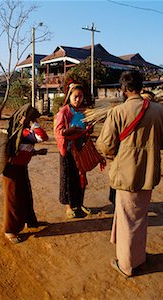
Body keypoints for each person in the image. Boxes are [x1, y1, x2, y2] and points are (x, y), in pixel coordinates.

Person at [96, 71, 163, 278]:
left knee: (128, 219)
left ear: (123, 89)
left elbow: (105, 146)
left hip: (126, 174)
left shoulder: (118, 112)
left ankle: (127, 265)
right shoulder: (159, 111)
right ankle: (137, 257)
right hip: (148, 173)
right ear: (140, 86)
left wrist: (118, 152)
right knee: (139, 218)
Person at [3, 103, 49, 244]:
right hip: (13, 170)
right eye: (33, 119)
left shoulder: (22, 133)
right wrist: (34, 125)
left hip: (20, 168)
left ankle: (29, 221)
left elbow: (23, 149)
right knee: (13, 200)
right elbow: (42, 137)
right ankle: (10, 230)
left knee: (25, 196)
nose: (35, 122)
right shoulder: (22, 132)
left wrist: (36, 152)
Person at [54, 82, 101, 219]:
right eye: (75, 96)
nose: (78, 99)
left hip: (81, 147)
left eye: (80, 96)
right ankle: (68, 207)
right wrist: (71, 131)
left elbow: (88, 129)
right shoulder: (64, 112)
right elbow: (58, 132)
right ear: (69, 96)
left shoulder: (84, 112)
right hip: (68, 149)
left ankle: (79, 203)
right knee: (68, 178)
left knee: (81, 176)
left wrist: (89, 128)